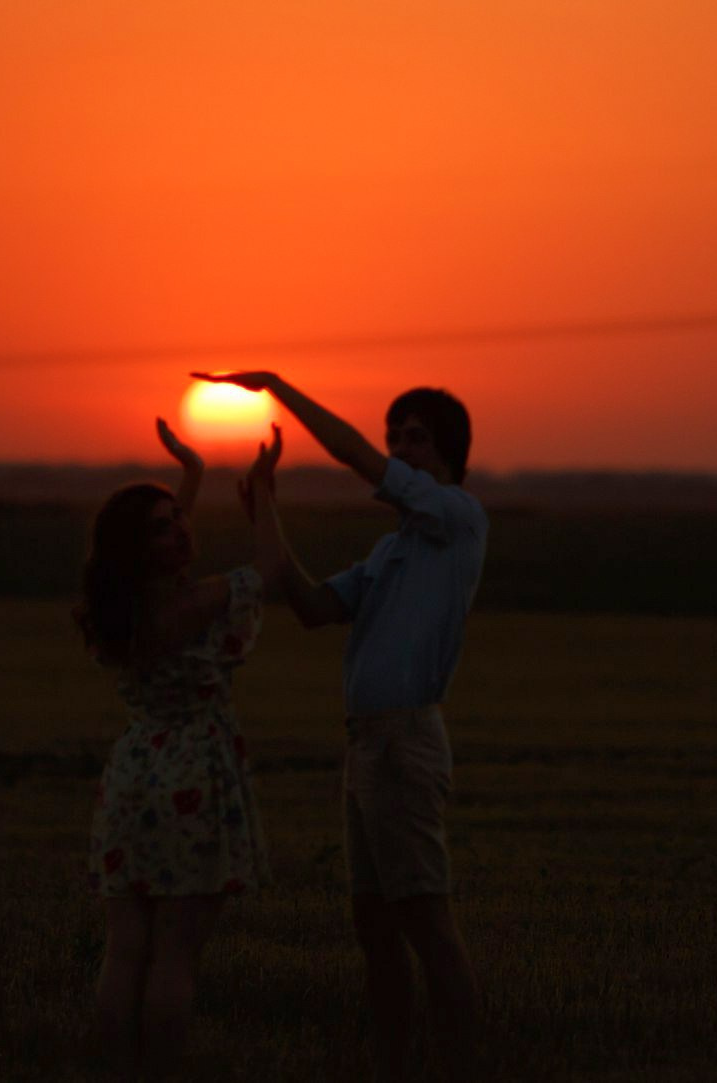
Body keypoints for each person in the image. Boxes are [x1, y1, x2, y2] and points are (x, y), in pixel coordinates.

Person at [196, 371, 488, 1083]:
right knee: (375, 928)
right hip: (367, 746)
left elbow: (355, 456)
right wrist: (263, 502)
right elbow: (310, 604)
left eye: (413, 437)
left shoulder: (457, 515)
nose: (397, 448)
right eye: (395, 436)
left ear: (448, 450)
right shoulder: (393, 551)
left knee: (426, 920)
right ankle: (393, 1063)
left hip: (405, 741)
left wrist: (273, 386)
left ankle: (466, 1065)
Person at [74, 418, 278, 1079]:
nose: (180, 528)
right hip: (194, 777)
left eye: (177, 518)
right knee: (175, 955)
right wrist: (265, 495)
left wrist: (190, 476)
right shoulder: (199, 602)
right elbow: (270, 569)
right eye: (162, 525)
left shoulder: (122, 607)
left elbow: (159, 552)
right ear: (141, 549)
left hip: (133, 775)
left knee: (125, 948)